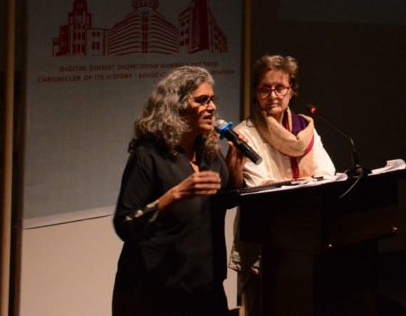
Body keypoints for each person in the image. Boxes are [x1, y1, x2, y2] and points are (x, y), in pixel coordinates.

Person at [112, 65, 245, 316]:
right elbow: (125, 224)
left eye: (212, 100)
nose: (212, 107)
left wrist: (236, 164)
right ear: (178, 106)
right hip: (156, 293)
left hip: (206, 287)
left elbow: (222, 201)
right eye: (202, 100)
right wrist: (174, 195)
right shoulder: (148, 156)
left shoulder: (209, 154)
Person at [229, 54, 337, 314]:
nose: (273, 95)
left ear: (292, 91)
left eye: (280, 88)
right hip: (266, 239)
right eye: (265, 88)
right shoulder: (245, 133)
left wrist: (291, 184)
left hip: (307, 235)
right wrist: (302, 183)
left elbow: (328, 172)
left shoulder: (305, 129)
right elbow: (262, 187)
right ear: (256, 93)